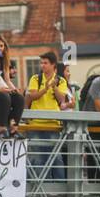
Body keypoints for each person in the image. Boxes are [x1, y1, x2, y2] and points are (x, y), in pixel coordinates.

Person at [24, 50, 73, 180]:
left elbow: (62, 99)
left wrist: (54, 87)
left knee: (56, 159)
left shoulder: (61, 80)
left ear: (53, 65)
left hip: (53, 124)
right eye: (41, 63)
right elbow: (32, 96)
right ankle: (39, 192)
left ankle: (58, 192)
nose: (42, 66)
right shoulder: (35, 78)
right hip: (35, 124)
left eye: (45, 63)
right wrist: (45, 88)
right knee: (37, 159)